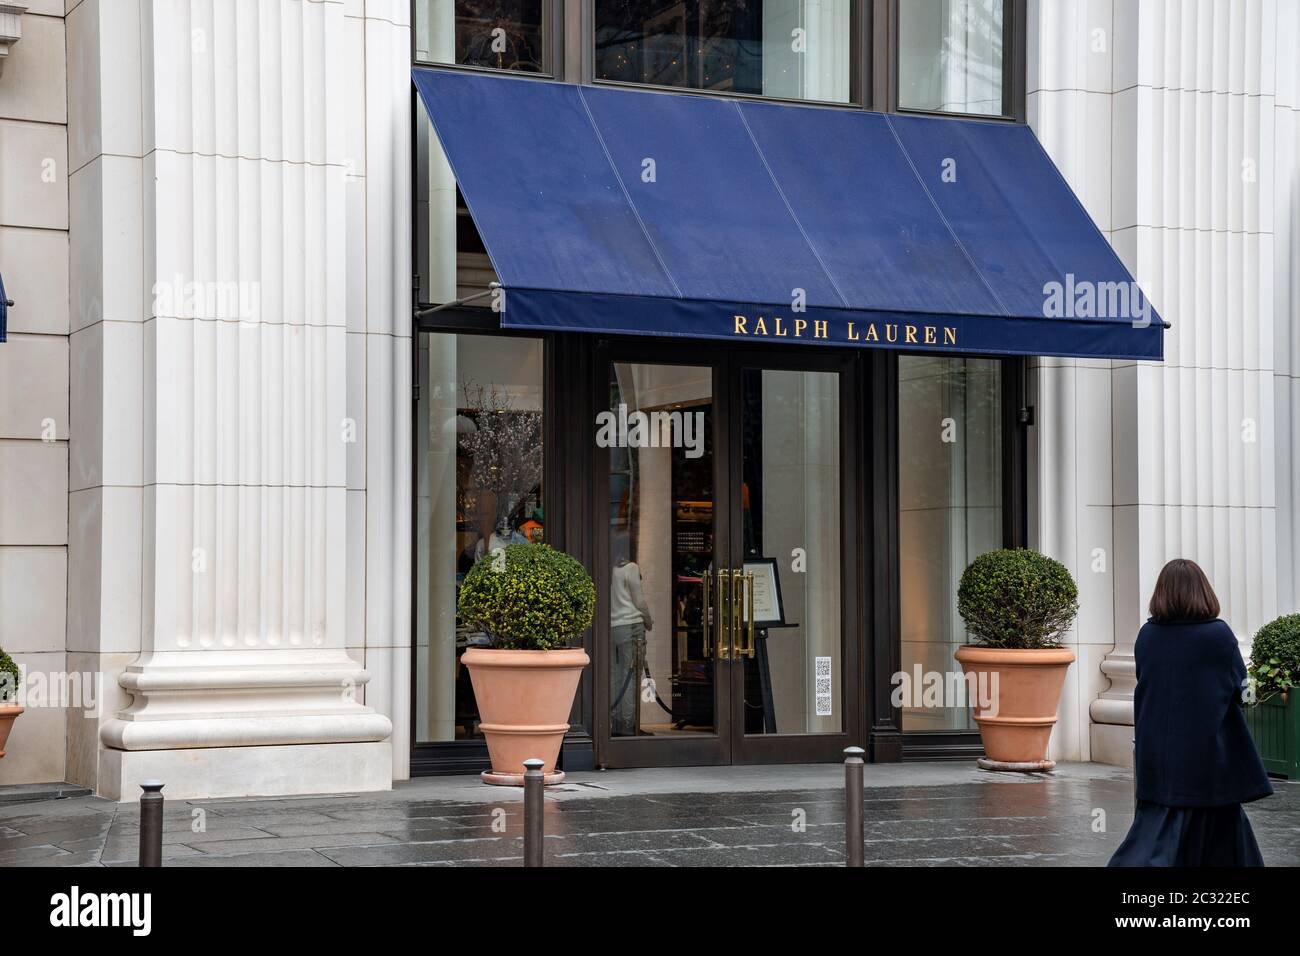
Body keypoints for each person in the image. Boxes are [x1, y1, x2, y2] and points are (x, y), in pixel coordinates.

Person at [1108, 558, 1273, 867]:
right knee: (1221, 829)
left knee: (1157, 829)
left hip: (1157, 749)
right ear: (1203, 591)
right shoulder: (1217, 635)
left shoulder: (1147, 636)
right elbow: (1241, 687)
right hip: (1207, 754)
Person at [610, 532, 653, 737]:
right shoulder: (631, 568)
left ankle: (616, 720)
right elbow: (639, 600)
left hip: (613, 627)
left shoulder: (609, 569)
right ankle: (629, 723)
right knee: (632, 675)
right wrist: (648, 619)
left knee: (616, 674)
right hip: (632, 625)